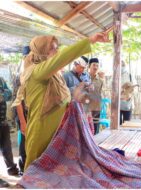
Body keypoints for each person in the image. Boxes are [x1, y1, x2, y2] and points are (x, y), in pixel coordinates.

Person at [20, 33, 109, 170]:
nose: (57, 52)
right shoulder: (36, 72)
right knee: (35, 170)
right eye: (53, 49)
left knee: (54, 173)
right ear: (42, 52)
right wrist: (89, 41)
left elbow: (65, 98)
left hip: (59, 132)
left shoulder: (55, 75)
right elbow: (62, 58)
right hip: (42, 130)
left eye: (57, 48)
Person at [11, 46, 30, 174]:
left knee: (30, 141)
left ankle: (28, 167)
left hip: (30, 114)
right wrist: (23, 122)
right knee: (24, 141)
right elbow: (18, 102)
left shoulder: (32, 72)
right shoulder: (20, 76)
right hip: (22, 113)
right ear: (24, 58)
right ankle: (23, 167)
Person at [0, 77, 19, 176]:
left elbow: (9, 94)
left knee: (7, 147)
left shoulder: (1, 80)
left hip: (3, 121)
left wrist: (2, 95)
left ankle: (12, 169)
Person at [88, 58, 104, 135]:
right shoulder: (84, 78)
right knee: (86, 127)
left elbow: (101, 93)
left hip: (96, 107)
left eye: (97, 65)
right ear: (89, 66)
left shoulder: (101, 81)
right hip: (86, 107)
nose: (95, 67)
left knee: (95, 127)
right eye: (94, 65)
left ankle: (95, 144)